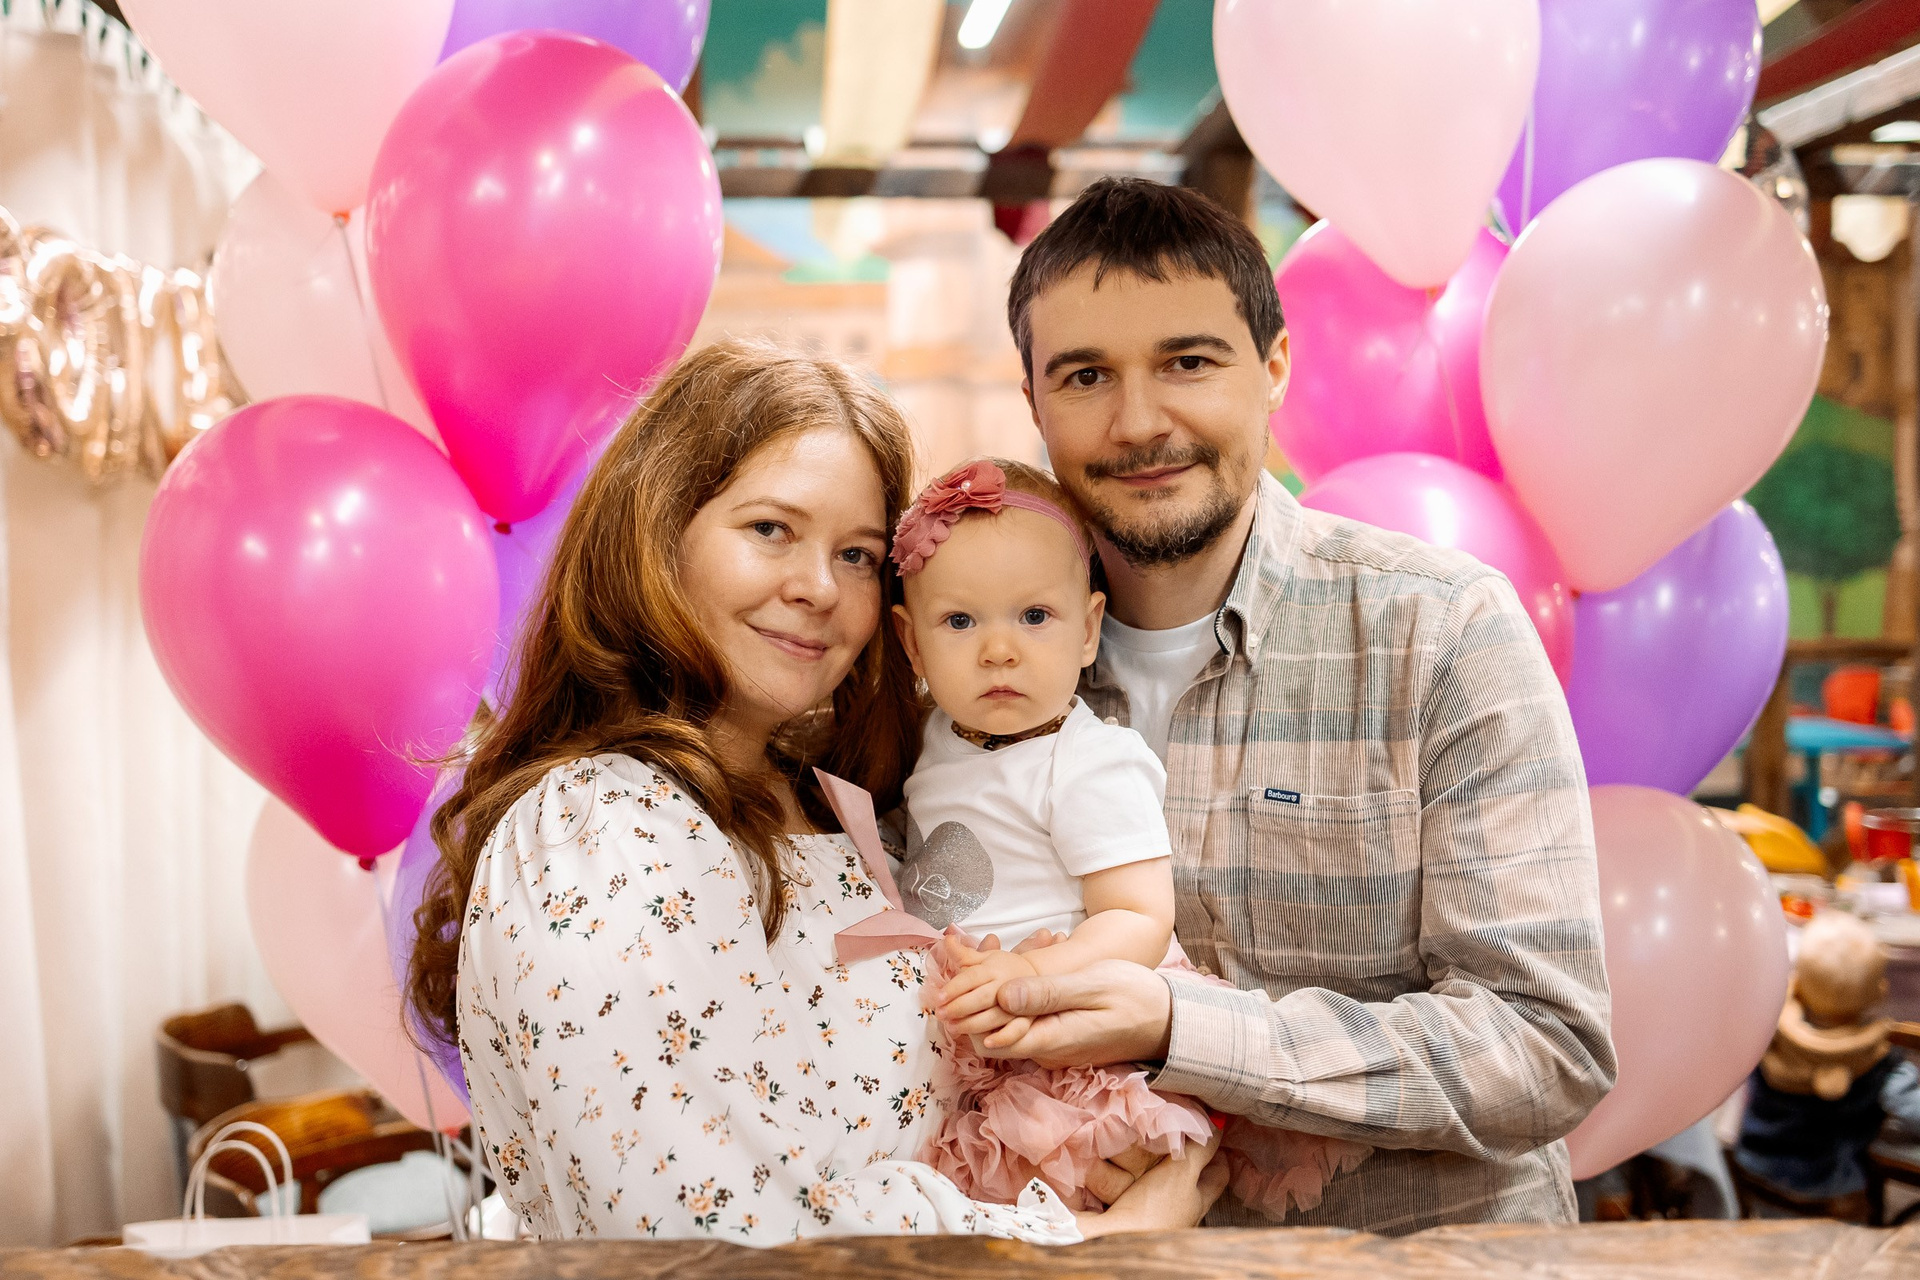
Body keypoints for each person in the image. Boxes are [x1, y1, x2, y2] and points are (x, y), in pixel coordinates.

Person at [404, 340, 1226, 1242]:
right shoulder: (598, 831)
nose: (819, 588)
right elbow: (711, 1232)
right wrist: (1095, 1241)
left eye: (859, 555)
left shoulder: (842, 797)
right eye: (770, 530)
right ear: (656, 531)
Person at [972, 177, 1616, 1234]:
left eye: (1188, 361)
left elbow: (1547, 1044)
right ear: (1035, 403)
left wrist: (1182, 1028)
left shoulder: (1441, 631)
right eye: (1086, 376)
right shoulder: (973, 672)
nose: (1140, 422)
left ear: (1274, 368)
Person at [887, 455, 1366, 1214]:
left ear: (1088, 629)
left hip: (1079, 1035)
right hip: (984, 1044)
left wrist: (1030, 977)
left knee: (1079, 1188)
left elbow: (1139, 918)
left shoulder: (1088, 761)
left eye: (1034, 617)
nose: (998, 649)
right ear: (913, 644)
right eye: (960, 621)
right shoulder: (931, 739)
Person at [1735, 910, 1920, 1211]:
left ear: (1798, 986)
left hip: (1756, 1174)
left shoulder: (1767, 1036)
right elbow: (1914, 1113)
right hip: (1832, 1192)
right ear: (1879, 992)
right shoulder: (1882, 1065)